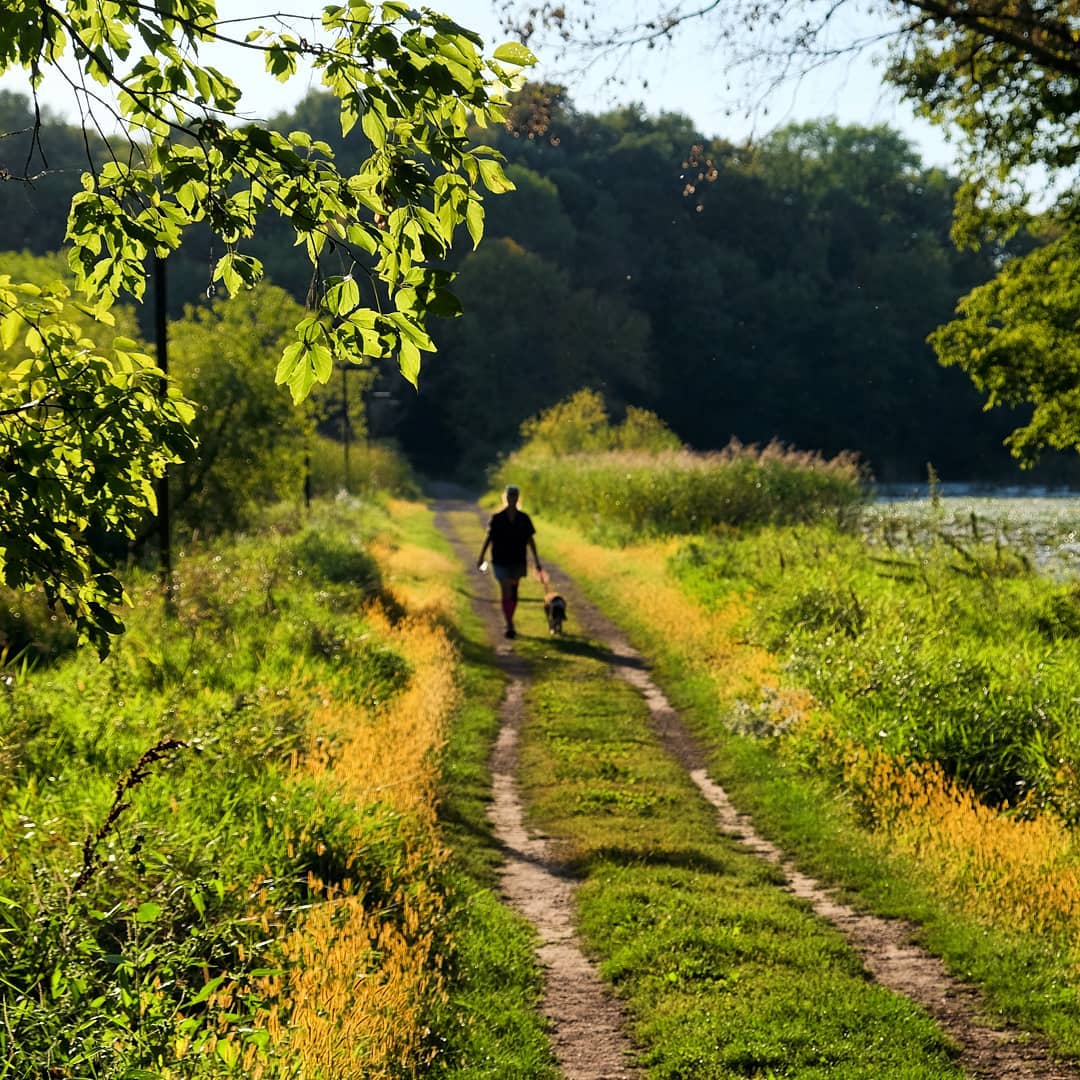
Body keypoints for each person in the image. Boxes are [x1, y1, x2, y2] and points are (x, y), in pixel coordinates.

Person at [477, 484, 542, 639]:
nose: (512, 498)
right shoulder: (497, 518)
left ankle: (509, 619)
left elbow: (530, 540)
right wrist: (481, 557)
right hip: (500, 560)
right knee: (505, 588)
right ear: (505, 498)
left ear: (517, 498)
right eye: (509, 496)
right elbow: (489, 538)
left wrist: (537, 560)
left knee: (513, 592)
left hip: (518, 560)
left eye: (514, 496)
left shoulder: (524, 519)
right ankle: (509, 623)